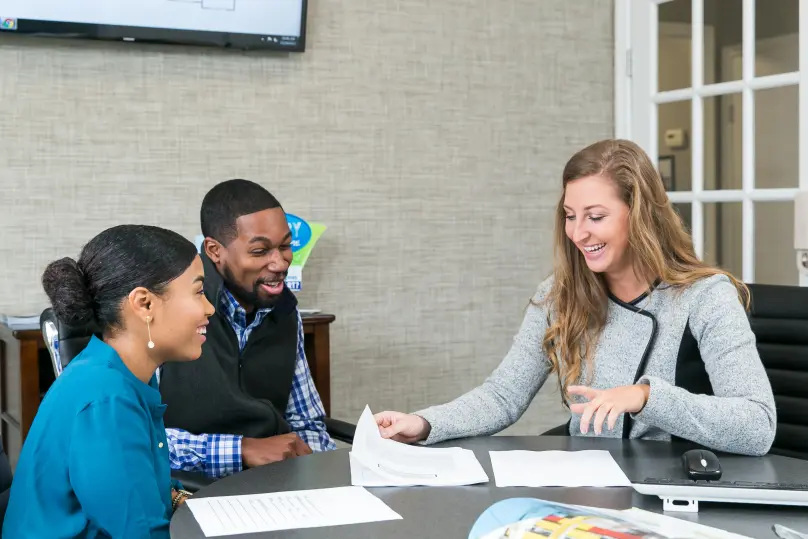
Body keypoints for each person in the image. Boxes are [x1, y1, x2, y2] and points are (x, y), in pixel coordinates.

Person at [374, 139, 777, 456]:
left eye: (596, 217)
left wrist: (645, 396)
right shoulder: (558, 294)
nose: (579, 233)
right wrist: (424, 423)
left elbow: (757, 425)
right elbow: (502, 396)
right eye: (570, 215)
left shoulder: (706, 298)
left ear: (640, 214)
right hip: (586, 489)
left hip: (673, 493)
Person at [3, 225, 214, 538]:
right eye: (198, 291)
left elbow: (148, 487)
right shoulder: (106, 398)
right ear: (144, 304)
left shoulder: (123, 374)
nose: (209, 307)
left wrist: (191, 502)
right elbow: (142, 533)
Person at [159, 179, 335, 479]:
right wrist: (241, 449)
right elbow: (141, 439)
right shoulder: (165, 310)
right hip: (190, 493)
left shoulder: (284, 311)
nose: (280, 263)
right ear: (214, 250)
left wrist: (318, 471)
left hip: (276, 486)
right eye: (260, 251)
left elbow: (308, 422)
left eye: (285, 246)